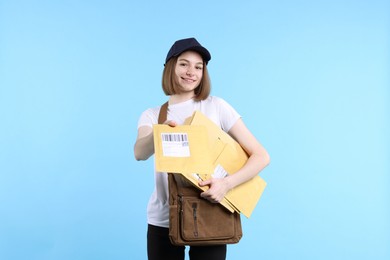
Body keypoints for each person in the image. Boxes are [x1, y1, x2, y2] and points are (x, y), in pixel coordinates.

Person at [134, 37, 270, 260]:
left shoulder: (216, 106)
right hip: (163, 218)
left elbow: (261, 156)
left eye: (199, 67)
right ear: (170, 67)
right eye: (184, 64)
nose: (191, 72)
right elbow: (139, 153)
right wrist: (160, 132)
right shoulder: (152, 114)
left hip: (209, 212)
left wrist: (226, 184)